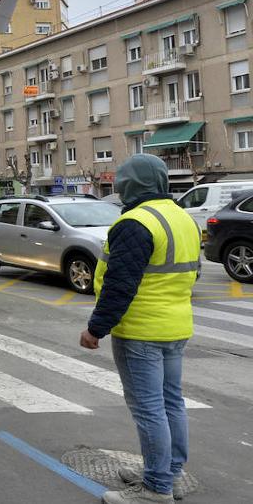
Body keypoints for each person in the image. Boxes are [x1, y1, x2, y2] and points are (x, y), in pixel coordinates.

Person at [81, 154, 201, 503]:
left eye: (121, 180)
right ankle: (169, 473)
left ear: (131, 184)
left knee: (149, 409)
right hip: (176, 326)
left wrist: (96, 329)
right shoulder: (183, 218)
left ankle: (156, 489)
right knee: (171, 403)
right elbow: (195, 273)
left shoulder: (135, 222)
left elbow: (120, 284)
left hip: (141, 331)